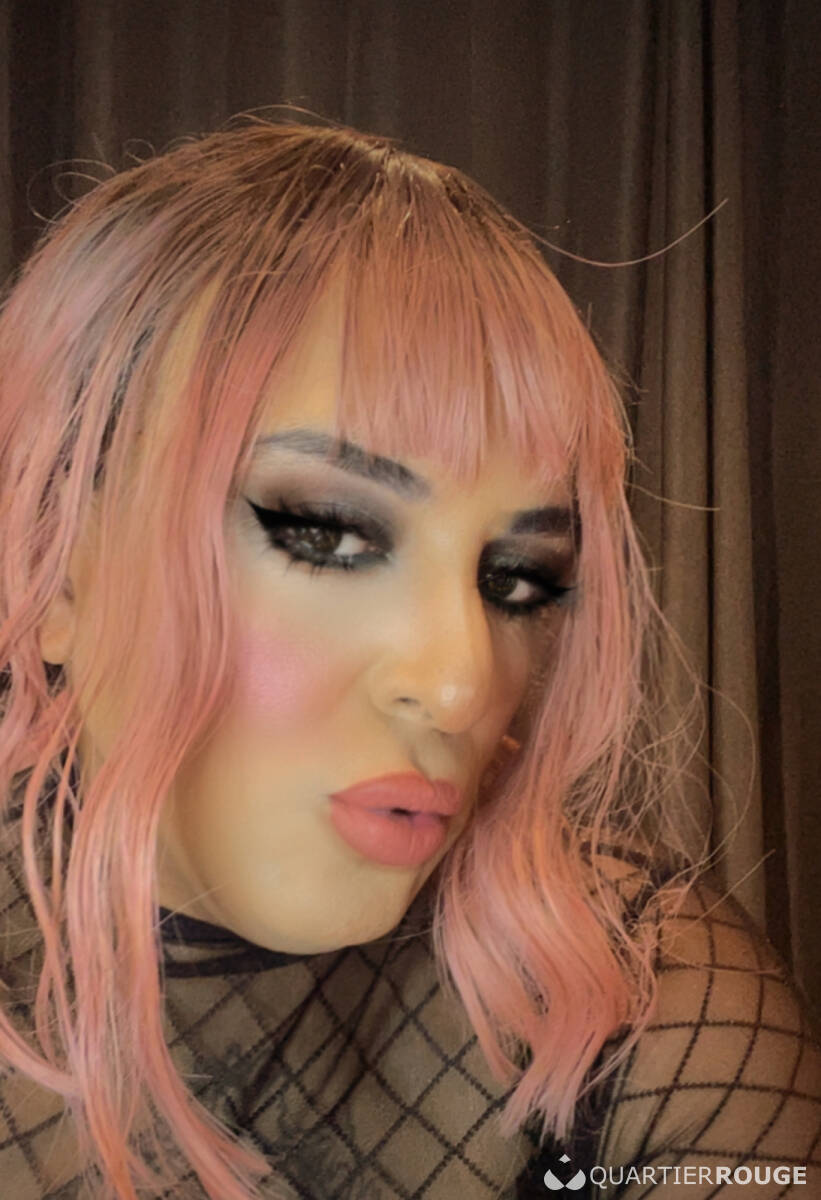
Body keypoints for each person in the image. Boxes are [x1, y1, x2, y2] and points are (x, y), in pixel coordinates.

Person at [0, 118, 818, 1200]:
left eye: (515, 579)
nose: (458, 685)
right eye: (327, 534)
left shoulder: (645, 1001)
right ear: (54, 566)